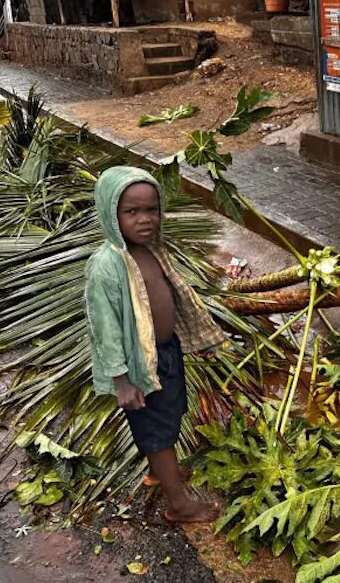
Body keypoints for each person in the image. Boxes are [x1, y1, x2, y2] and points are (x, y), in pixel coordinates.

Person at [85, 166, 226, 523]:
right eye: (131, 211)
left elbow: (176, 297)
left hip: (166, 352)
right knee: (157, 430)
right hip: (138, 366)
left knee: (170, 415)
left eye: (151, 209)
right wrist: (122, 381)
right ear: (110, 213)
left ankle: (159, 472)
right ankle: (179, 504)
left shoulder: (151, 250)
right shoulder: (106, 266)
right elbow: (105, 330)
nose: (144, 219)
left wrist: (198, 338)